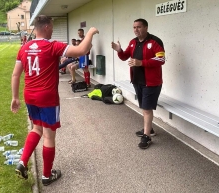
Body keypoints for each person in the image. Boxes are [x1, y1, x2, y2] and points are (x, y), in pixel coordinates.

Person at [11, 15, 99, 185]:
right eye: (51, 27)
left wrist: (15, 97)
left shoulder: (24, 48)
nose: (52, 30)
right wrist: (91, 33)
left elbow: (15, 74)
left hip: (30, 95)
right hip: (47, 97)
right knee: (49, 136)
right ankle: (46, 175)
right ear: (45, 27)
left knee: (36, 128)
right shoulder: (52, 46)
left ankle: (22, 162)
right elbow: (81, 50)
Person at [111, 18, 165, 149]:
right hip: (137, 80)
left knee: (147, 109)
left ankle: (147, 136)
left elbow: (161, 59)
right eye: (134, 27)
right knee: (144, 107)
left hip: (151, 82)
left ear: (146, 27)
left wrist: (142, 63)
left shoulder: (155, 41)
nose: (136, 30)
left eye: (139, 27)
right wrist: (119, 50)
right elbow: (124, 57)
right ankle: (149, 129)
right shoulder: (133, 42)